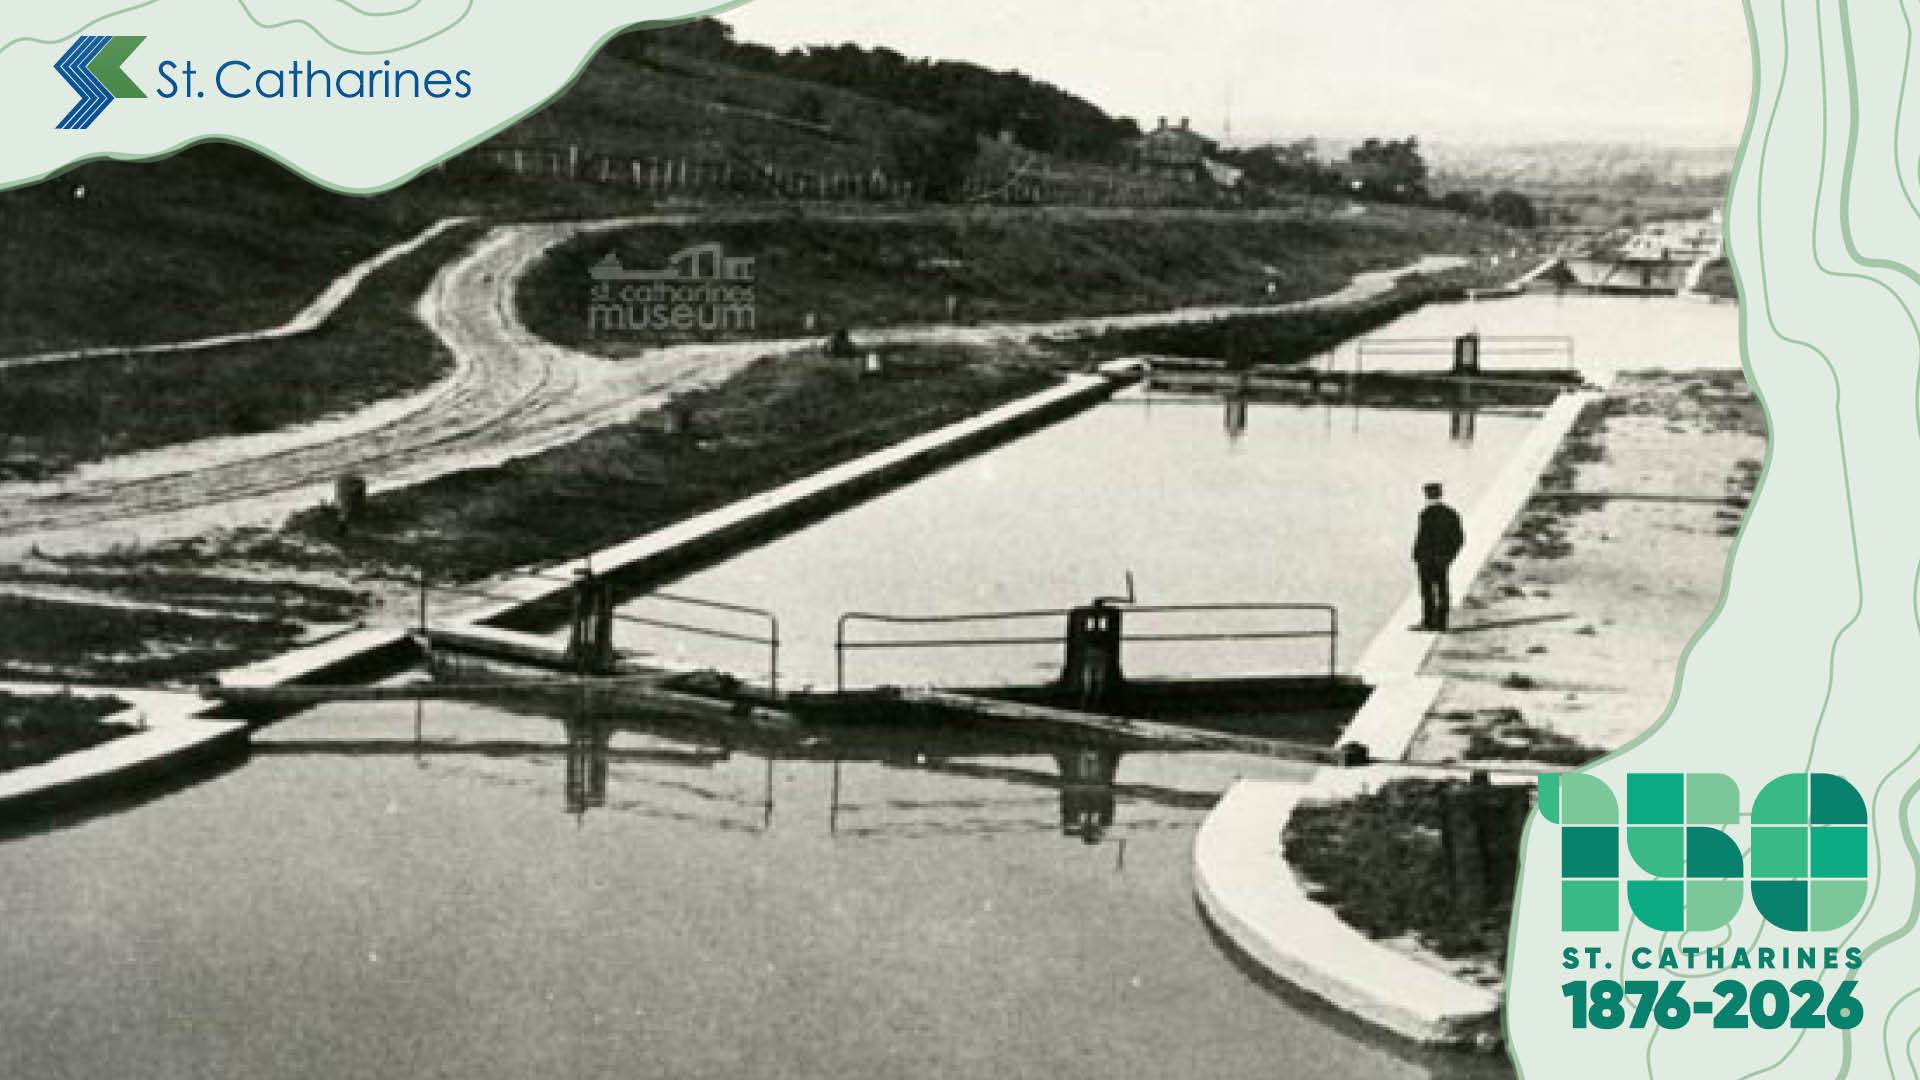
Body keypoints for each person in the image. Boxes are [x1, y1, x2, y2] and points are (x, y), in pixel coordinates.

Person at [1413, 482, 1465, 631]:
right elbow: (1459, 538)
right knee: (1442, 590)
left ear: (1427, 495)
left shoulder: (1425, 513)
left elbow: (1422, 538)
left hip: (1426, 559)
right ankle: (1442, 623)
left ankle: (1429, 622)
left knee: (1427, 591)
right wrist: (1449, 556)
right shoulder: (1450, 513)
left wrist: (1418, 555)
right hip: (1441, 559)